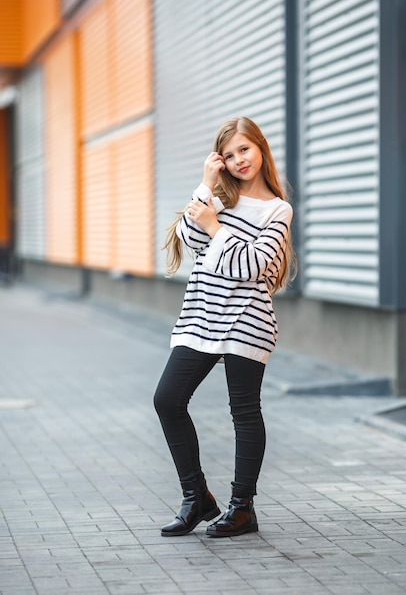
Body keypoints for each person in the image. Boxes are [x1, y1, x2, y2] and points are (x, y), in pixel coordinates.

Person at [154, 116, 296, 538]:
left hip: (246, 322)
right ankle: (196, 497)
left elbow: (252, 267)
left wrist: (216, 229)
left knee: (244, 412)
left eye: (245, 150)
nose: (238, 160)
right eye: (229, 155)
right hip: (201, 316)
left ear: (261, 149)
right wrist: (205, 183)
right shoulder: (218, 198)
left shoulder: (277, 209)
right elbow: (187, 238)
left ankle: (242, 508)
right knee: (168, 399)